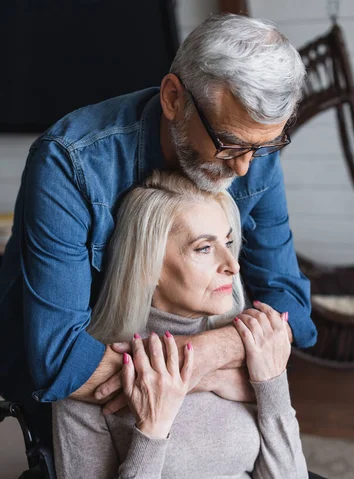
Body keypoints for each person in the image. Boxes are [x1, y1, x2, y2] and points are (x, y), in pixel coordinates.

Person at [0, 13, 316, 438]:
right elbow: (61, 360)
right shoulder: (70, 163)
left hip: (144, 374)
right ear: (173, 98)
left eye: (264, 147)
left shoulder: (253, 152)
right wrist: (216, 375)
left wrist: (207, 352)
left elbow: (291, 305)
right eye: (228, 144)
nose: (244, 168)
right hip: (77, 399)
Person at [53, 171, 308, 479]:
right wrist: (152, 431)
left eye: (228, 241)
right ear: (148, 265)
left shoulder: (241, 349)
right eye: (204, 248)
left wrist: (270, 383)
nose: (232, 264)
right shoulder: (91, 381)